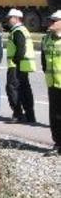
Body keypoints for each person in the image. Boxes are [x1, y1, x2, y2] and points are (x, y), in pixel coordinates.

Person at [4, 9, 36, 123]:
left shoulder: (17, 31)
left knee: (12, 89)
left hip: (16, 65)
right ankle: (30, 115)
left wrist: (15, 61)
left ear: (16, 18)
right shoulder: (22, 30)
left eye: (9, 18)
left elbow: (21, 49)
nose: (8, 20)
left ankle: (18, 114)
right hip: (23, 65)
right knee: (24, 90)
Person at [41, 10, 61, 155]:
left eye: (54, 21)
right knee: (55, 116)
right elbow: (44, 61)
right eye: (50, 20)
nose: (50, 23)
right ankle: (58, 144)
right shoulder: (46, 38)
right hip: (52, 84)